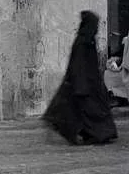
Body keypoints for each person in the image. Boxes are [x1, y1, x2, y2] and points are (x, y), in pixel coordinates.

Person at [43, 11, 118, 145]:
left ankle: (99, 133)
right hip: (83, 84)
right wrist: (81, 84)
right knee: (90, 110)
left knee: (92, 110)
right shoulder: (82, 42)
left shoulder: (88, 40)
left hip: (90, 83)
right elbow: (78, 65)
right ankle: (98, 134)